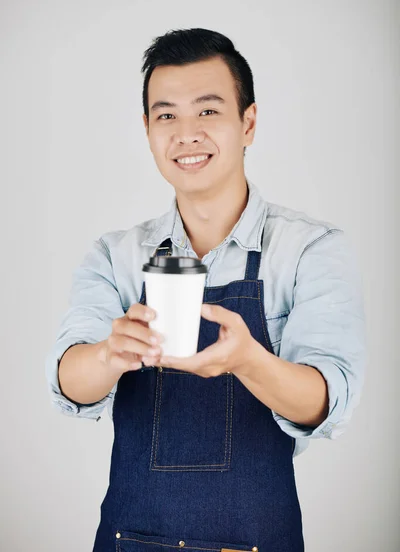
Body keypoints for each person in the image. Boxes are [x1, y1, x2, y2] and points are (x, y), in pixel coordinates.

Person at [45, 28, 366, 552]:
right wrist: (109, 353)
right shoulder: (116, 255)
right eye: (166, 115)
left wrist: (248, 360)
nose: (186, 133)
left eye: (209, 111)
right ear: (147, 130)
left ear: (249, 123)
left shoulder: (310, 249)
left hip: (258, 541)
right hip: (130, 541)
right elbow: (68, 380)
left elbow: (327, 402)